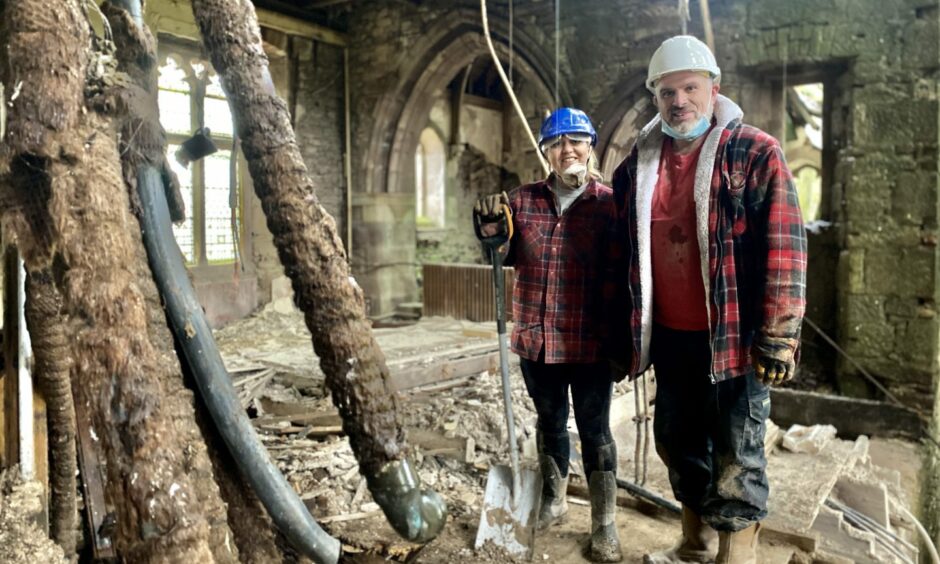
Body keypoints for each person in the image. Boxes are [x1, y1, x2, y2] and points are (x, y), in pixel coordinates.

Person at [610, 36, 807, 564]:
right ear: (656, 98)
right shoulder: (636, 168)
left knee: (738, 453)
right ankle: (694, 545)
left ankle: (735, 557)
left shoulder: (754, 151)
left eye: (690, 88)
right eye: (666, 92)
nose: (679, 101)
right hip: (672, 340)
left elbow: (786, 246)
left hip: (734, 341)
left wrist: (780, 335)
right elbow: (621, 255)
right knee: (678, 442)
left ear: (713, 89)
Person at [473, 107, 624, 562]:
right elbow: (500, 253)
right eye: (557, 143)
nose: (567, 150)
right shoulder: (521, 201)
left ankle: (604, 524)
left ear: (590, 146)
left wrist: (626, 341)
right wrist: (490, 233)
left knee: (596, 432)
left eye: (576, 140)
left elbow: (626, 275)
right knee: (549, 423)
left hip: (590, 342)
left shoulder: (610, 205)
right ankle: (553, 501)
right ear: (546, 152)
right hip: (537, 341)